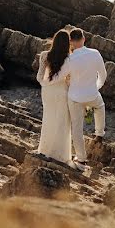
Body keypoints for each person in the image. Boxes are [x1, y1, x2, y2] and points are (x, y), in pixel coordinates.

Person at [58, 28, 107, 167]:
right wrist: (95, 87)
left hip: (75, 98)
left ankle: (81, 159)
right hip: (92, 94)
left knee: (77, 128)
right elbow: (103, 75)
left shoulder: (70, 59)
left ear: (71, 43)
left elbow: (62, 76)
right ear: (84, 39)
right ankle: (99, 133)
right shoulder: (95, 53)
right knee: (100, 106)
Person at [35, 29, 73, 165]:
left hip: (47, 92)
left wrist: (46, 84)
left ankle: (44, 149)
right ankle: (59, 155)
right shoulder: (69, 59)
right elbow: (64, 78)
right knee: (62, 123)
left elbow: (39, 77)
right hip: (61, 92)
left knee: (48, 120)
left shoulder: (44, 55)